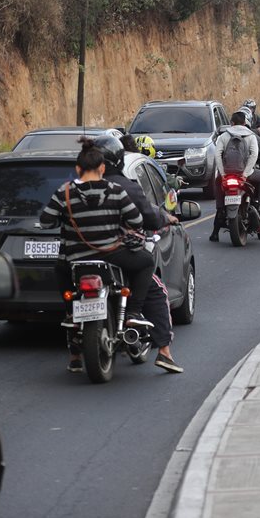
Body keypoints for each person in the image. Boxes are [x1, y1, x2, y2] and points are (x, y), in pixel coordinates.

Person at [40, 143, 155, 373]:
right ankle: (133, 312)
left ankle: (72, 317)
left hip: (76, 259)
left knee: (61, 275)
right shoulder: (116, 190)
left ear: (78, 169)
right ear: (102, 168)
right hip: (113, 255)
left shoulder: (64, 192)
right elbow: (136, 221)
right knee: (146, 262)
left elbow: (45, 222)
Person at [91, 135, 183, 374]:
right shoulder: (127, 187)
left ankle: (73, 354)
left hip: (82, 256)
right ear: (118, 160)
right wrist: (165, 218)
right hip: (119, 255)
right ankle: (163, 350)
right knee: (157, 289)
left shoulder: (77, 185)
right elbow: (149, 217)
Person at [210, 110, 260, 243]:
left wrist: (223, 174)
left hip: (227, 175)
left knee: (219, 189)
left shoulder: (223, 136)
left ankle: (215, 232)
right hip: (247, 175)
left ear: (231, 123)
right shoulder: (252, 136)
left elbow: (217, 155)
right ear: (246, 122)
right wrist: (245, 174)